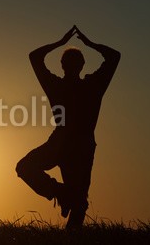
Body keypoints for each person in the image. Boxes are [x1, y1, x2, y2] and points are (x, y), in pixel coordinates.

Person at [16, 25, 120, 229]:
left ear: (63, 65)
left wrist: (59, 43)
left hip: (69, 143)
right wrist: (91, 44)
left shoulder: (59, 85)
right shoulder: (93, 85)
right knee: (78, 200)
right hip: (75, 144)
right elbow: (114, 56)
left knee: (77, 200)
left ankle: (65, 197)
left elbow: (35, 57)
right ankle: (65, 195)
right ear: (81, 65)